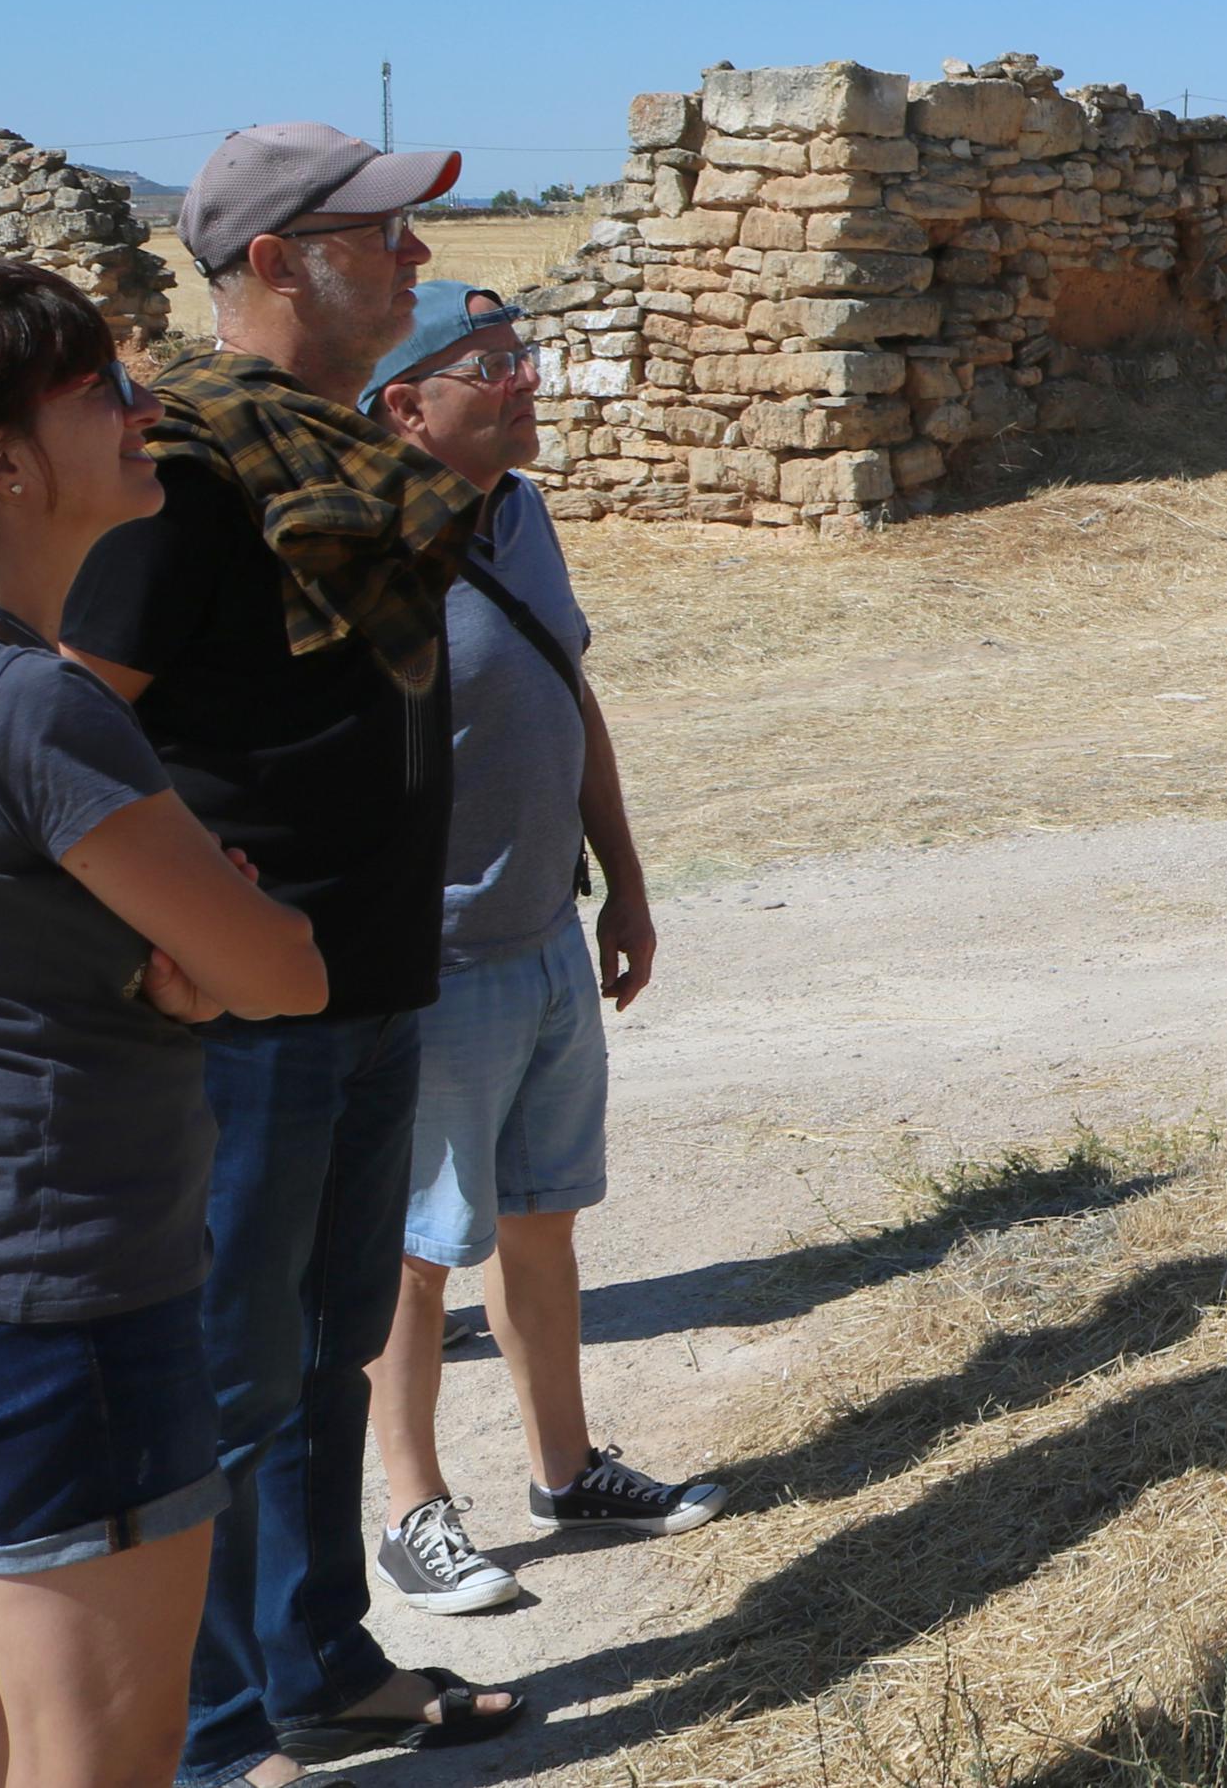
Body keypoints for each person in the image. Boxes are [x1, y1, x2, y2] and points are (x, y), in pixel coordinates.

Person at [60, 125, 528, 1783]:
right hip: (243, 1013)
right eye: (383, 237)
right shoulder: (176, 465)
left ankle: (316, 1668)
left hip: (373, 980)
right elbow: (70, 728)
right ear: (277, 260)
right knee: (222, 1375)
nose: (416, 263)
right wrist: (179, 930)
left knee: (325, 1354)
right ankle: (205, 1733)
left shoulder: (333, 459)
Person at [0, 242, 329, 1788]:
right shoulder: (29, 703)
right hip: (67, 1297)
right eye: (96, 388)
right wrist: (200, 947)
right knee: (101, 1758)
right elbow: (282, 970)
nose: (142, 406)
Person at [356, 283, 720, 1617]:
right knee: (412, 1246)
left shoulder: (520, 510)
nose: (523, 382)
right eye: (488, 367)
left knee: (540, 1222)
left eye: (521, 358)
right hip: (430, 959)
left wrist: (623, 878)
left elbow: (567, 687)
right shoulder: (359, 542)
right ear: (405, 405)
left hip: (545, 932)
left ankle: (564, 1469)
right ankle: (412, 1509)